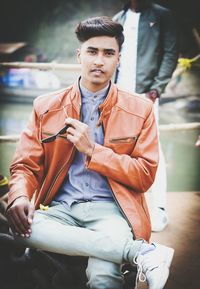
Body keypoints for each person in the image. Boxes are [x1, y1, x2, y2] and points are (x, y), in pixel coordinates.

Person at [6, 16, 174, 289]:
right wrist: (19, 196)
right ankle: (140, 252)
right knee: (23, 230)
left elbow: (145, 175)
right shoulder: (46, 106)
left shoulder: (140, 109)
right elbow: (25, 165)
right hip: (60, 208)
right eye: (92, 52)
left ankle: (128, 251)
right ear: (79, 55)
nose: (99, 61)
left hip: (112, 211)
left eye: (108, 53)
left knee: (103, 278)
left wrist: (93, 150)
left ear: (118, 59)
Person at [113, 0, 178, 232]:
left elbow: (171, 53)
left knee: (153, 150)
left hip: (147, 96)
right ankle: (125, 209)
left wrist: (156, 89)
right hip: (118, 95)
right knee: (118, 151)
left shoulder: (162, 15)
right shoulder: (118, 19)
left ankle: (159, 209)